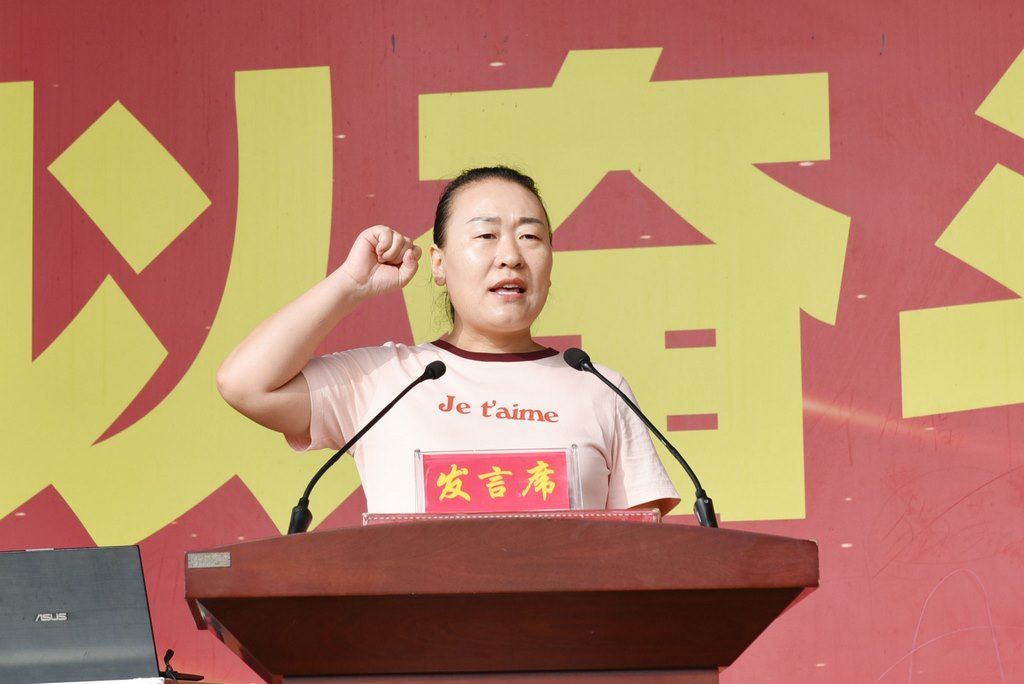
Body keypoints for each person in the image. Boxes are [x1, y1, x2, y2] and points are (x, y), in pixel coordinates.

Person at [216, 166, 680, 515]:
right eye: (486, 234)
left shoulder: (600, 388)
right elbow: (245, 384)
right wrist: (349, 285)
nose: (511, 256)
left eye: (530, 237)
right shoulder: (388, 381)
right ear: (438, 263)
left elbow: (640, 558)